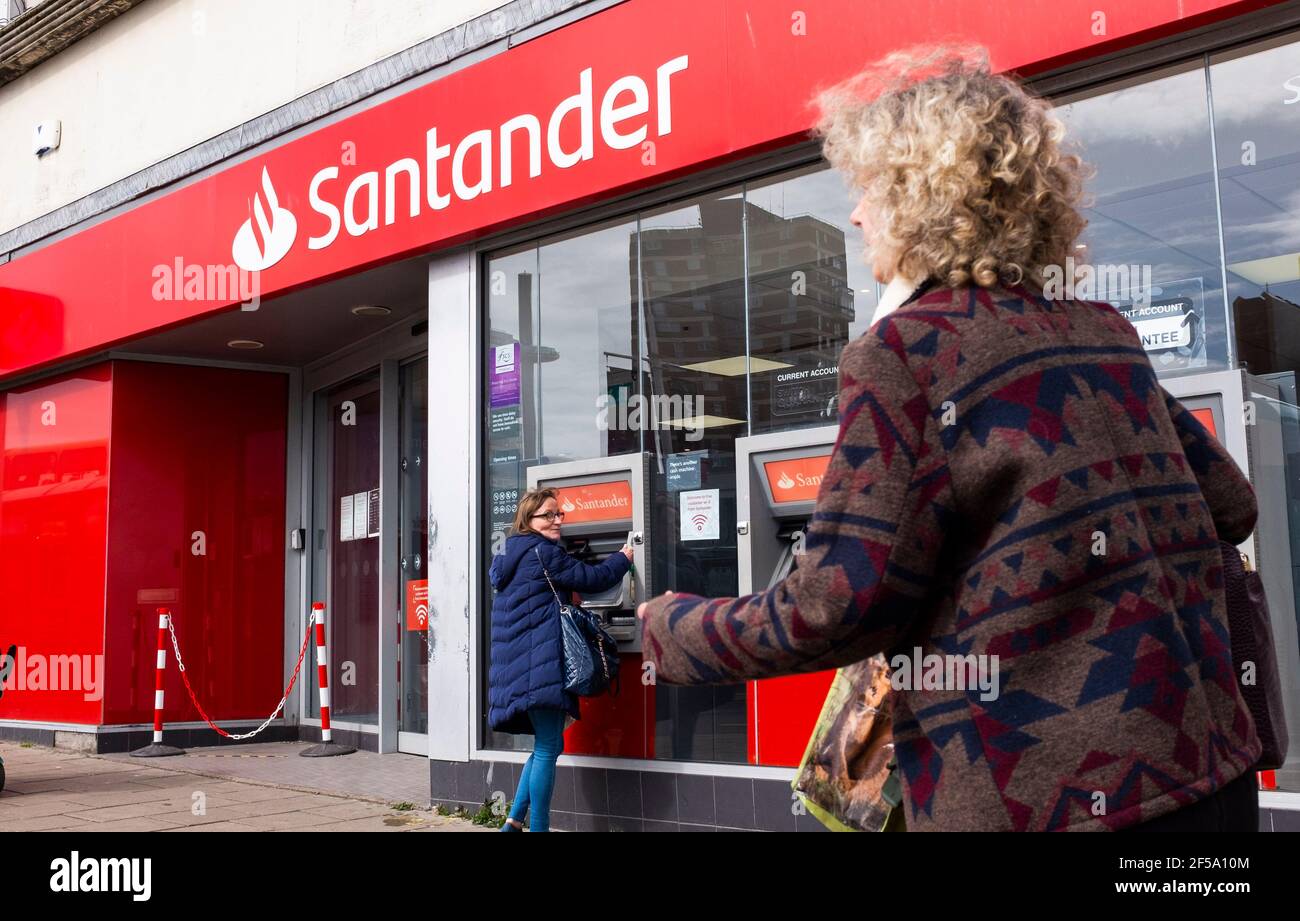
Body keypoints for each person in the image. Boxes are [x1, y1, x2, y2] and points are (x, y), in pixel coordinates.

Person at [636, 45, 1262, 832]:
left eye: (870, 190)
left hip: (1042, 796)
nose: (858, 215)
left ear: (919, 196)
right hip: (1211, 777)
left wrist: (670, 626)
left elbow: (837, 605)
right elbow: (1231, 504)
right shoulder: (1103, 330)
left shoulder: (906, 353)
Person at [489, 486, 633, 831]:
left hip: (519, 664)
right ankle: (539, 826)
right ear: (529, 519)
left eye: (559, 514)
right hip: (541, 665)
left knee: (543, 745)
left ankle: (512, 823)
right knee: (550, 745)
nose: (556, 521)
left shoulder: (510, 554)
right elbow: (594, 578)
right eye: (548, 515)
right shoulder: (544, 553)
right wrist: (625, 556)